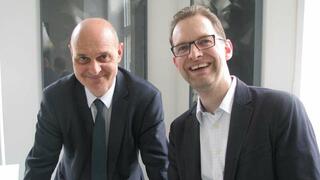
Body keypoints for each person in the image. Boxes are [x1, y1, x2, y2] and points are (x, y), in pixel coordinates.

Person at [168, 5, 320, 180]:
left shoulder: (281, 110)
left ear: (227, 49)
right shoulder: (179, 131)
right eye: (182, 48)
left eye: (204, 41)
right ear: (176, 62)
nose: (194, 54)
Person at [24, 18, 168, 180]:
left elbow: (160, 166)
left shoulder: (145, 98)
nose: (94, 69)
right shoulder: (55, 99)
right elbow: (40, 164)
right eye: (83, 58)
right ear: (72, 53)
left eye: (103, 57)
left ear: (119, 52)